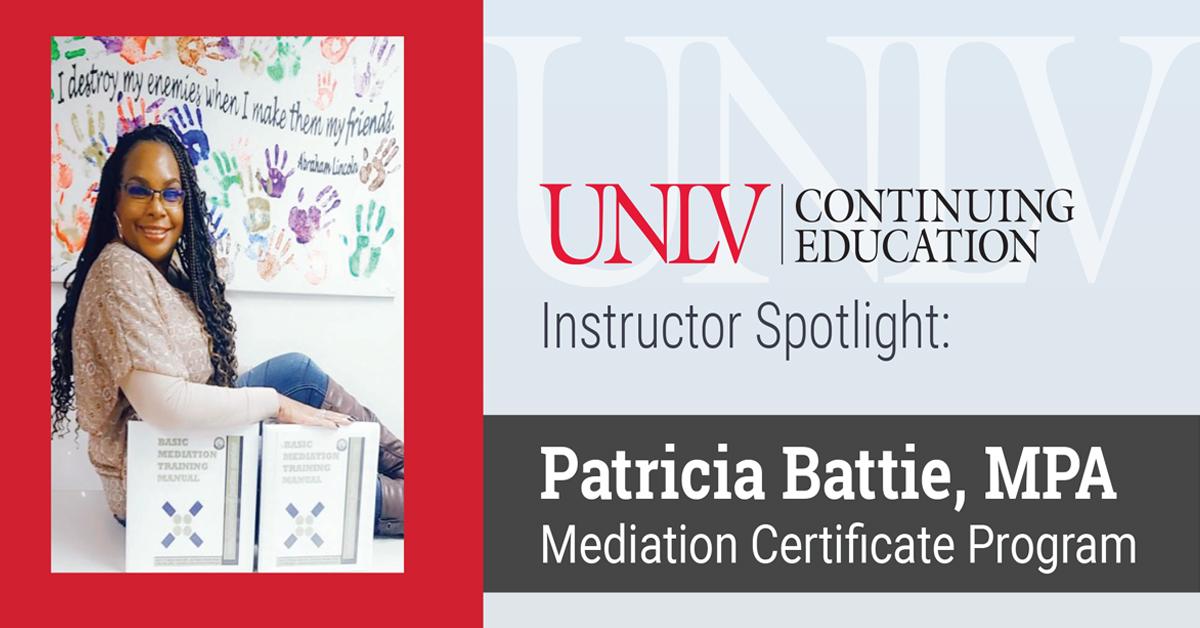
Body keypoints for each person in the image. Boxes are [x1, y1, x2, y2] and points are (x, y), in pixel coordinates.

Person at [49, 124, 404, 537]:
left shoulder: (163, 274)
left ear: (186, 203)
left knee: (296, 372)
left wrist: (277, 402)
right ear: (115, 198)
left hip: (198, 444)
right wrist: (277, 406)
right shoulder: (118, 270)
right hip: (163, 473)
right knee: (302, 464)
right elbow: (167, 408)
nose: (157, 208)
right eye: (140, 190)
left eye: (171, 193)